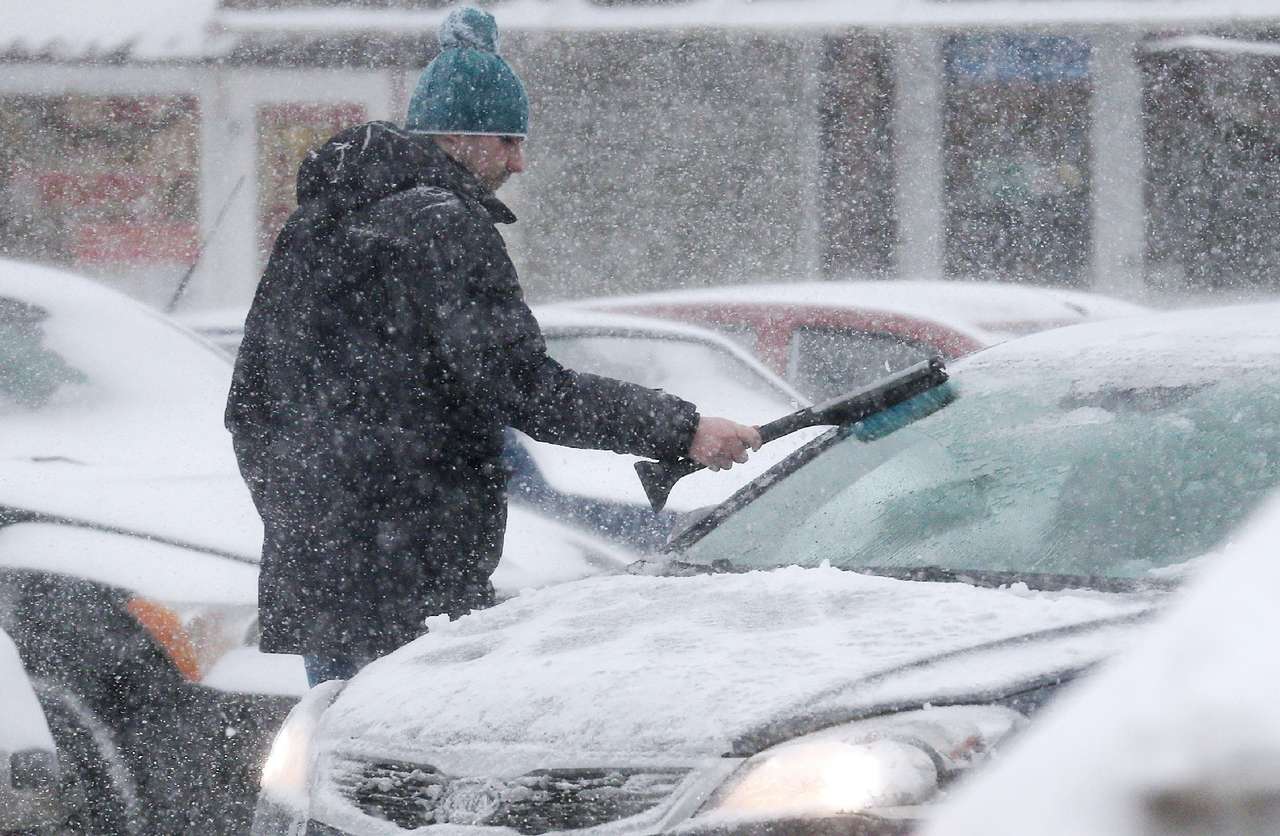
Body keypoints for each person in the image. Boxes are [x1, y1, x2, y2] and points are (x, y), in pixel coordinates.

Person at [225, 6, 761, 688]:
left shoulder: (319, 222)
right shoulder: (443, 227)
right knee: (401, 766)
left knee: (333, 763)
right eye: (508, 141)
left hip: (327, 579)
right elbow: (524, 386)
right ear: (460, 138)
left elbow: (252, 406)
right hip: (411, 579)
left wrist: (309, 514)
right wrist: (680, 429)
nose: (519, 160)